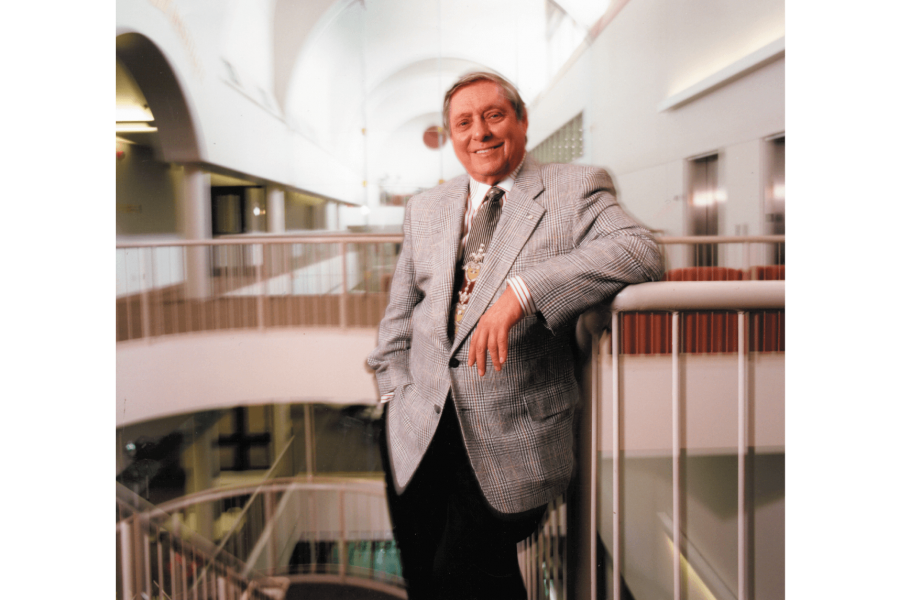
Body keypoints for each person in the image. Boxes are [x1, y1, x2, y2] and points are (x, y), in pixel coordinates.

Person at [367, 72, 663, 599]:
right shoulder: (427, 208)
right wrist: (393, 393)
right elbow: (399, 313)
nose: (479, 131)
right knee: (422, 579)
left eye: (494, 115)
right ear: (451, 136)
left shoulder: (576, 187)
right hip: (415, 429)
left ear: (522, 122)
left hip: (512, 437)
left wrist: (525, 292)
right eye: (464, 122)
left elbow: (641, 251)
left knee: (462, 578)